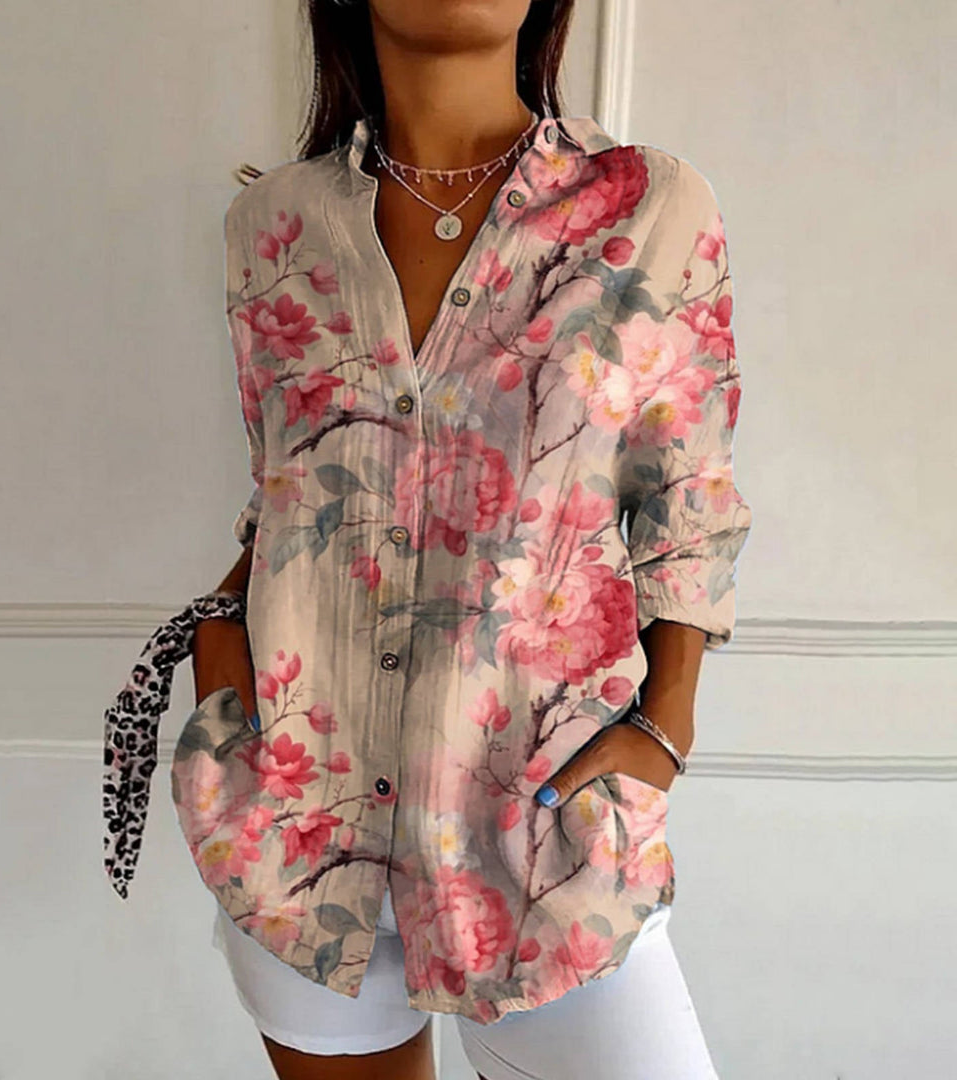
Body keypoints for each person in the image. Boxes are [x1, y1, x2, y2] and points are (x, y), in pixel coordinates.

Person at [187, 1, 752, 1077]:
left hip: (543, 826)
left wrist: (667, 727)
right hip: (301, 824)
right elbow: (286, 485)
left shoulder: (651, 207)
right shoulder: (273, 226)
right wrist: (221, 650)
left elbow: (690, 495)